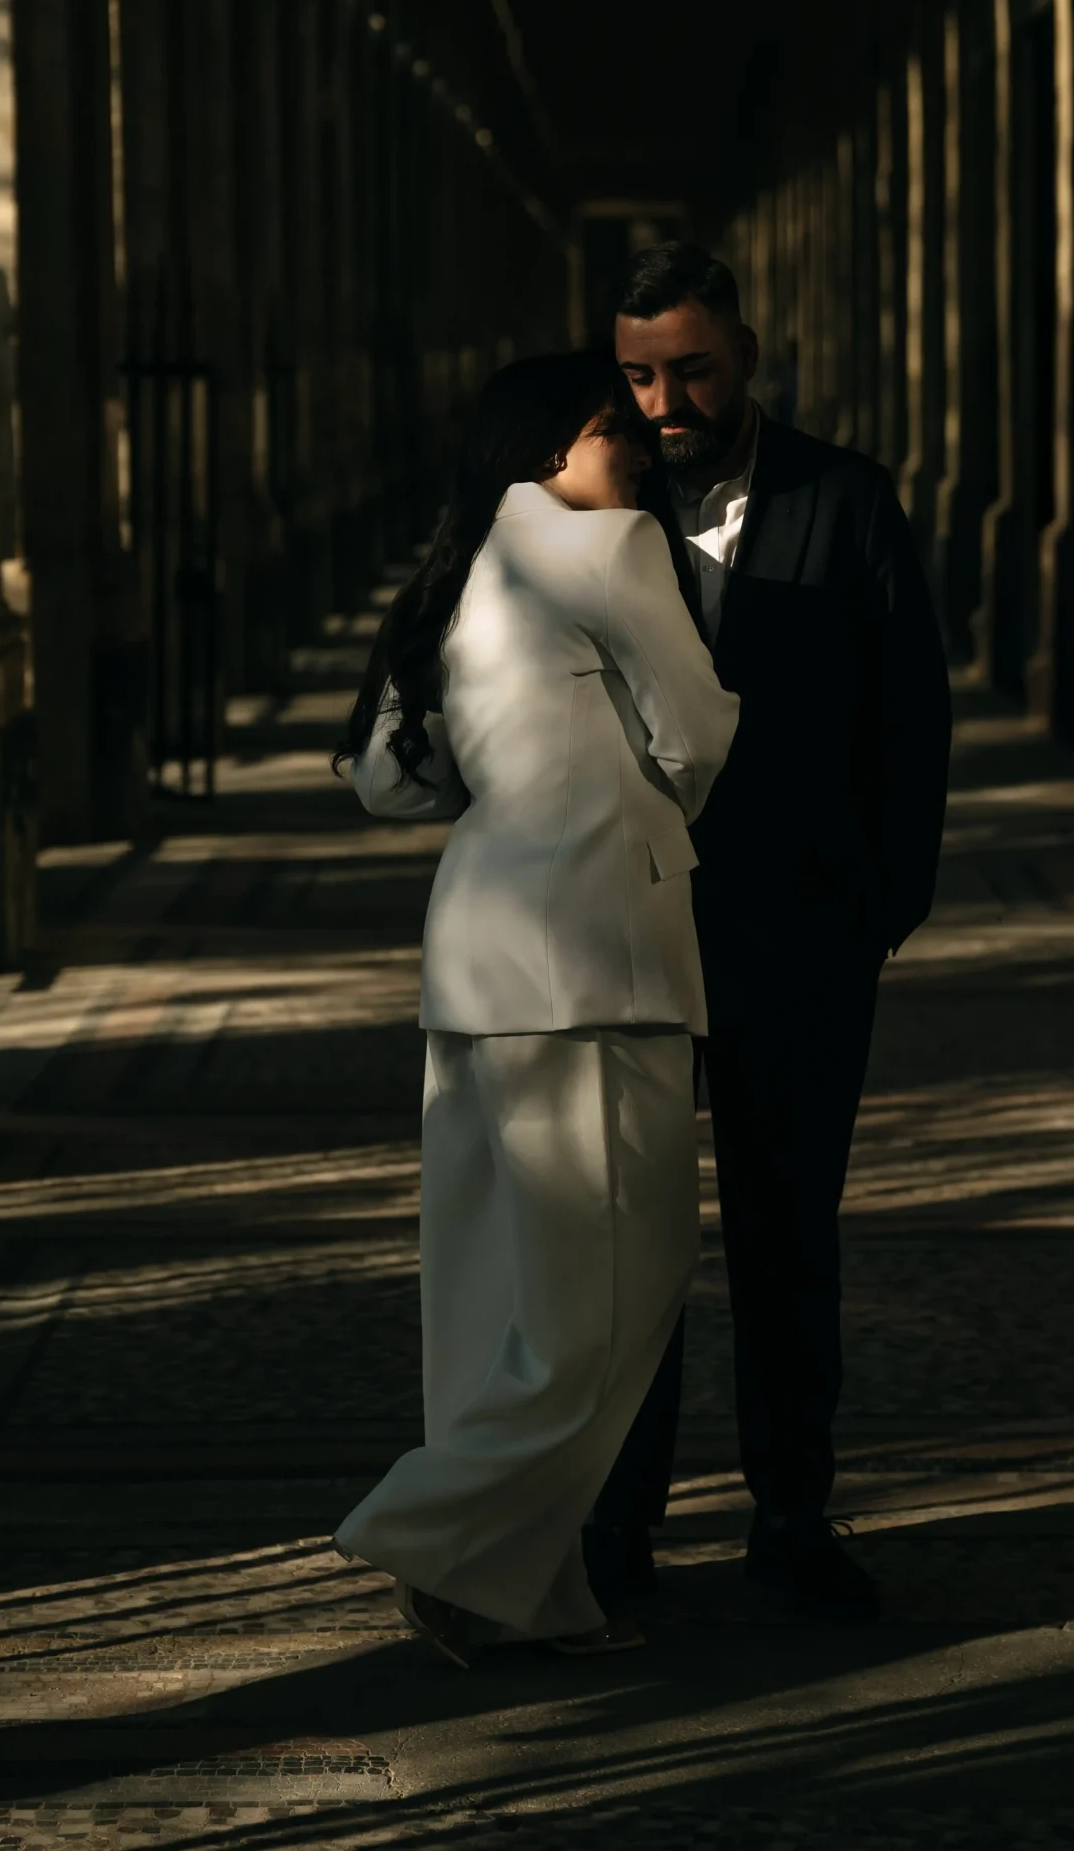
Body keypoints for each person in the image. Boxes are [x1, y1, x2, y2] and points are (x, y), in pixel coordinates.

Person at [333, 348, 739, 1666]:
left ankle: (511, 1586)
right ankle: (428, 1530)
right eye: (607, 420)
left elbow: (388, 785)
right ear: (546, 447)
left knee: (493, 1295)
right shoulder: (609, 546)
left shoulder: (458, 570)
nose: (634, 436)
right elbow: (699, 737)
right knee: (618, 1290)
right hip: (592, 961)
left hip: (477, 958)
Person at [592, 242, 951, 1624]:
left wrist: (874, 913)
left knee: (787, 1234)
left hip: (800, 940)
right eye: (636, 373)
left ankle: (790, 1513)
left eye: (687, 367)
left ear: (743, 348)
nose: (663, 397)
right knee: (628, 1248)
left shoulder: (846, 499)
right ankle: (622, 1519)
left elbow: (908, 721)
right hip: (623, 938)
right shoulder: (585, 508)